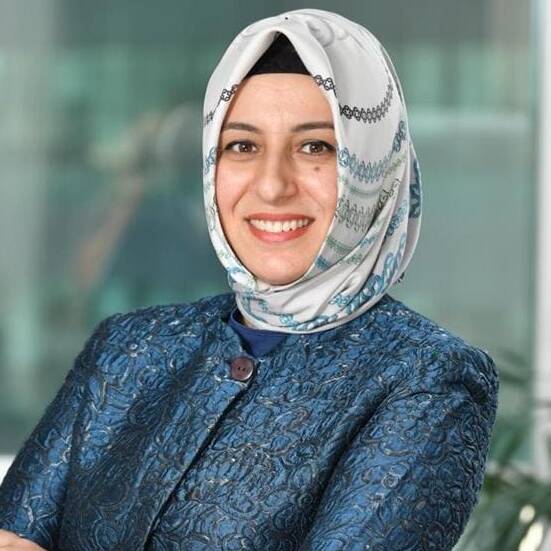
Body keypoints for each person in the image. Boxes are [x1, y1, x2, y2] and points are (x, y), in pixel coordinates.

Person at [0, 8, 499, 550]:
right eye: (242, 146)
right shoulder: (128, 347)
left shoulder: (429, 377)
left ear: (375, 166)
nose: (272, 185)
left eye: (316, 146)